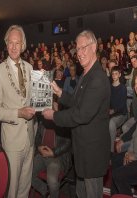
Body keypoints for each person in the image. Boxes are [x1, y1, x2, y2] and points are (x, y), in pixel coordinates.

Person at [42, 30, 111, 198]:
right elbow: (77, 102)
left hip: (92, 153)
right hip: (82, 149)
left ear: (94, 47)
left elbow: (81, 114)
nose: (79, 53)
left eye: (83, 48)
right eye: (77, 49)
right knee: (81, 193)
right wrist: (60, 93)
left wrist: (54, 116)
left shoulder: (97, 78)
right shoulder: (86, 74)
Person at [0, 25, 36, 198]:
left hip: (29, 138)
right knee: (11, 189)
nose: (14, 47)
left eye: (18, 43)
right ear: (6, 44)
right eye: (11, 42)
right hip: (11, 141)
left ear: (23, 45)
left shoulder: (31, 68)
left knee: (25, 187)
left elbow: (33, 100)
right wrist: (18, 113)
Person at [32, 115, 71, 198]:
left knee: (52, 181)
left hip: (56, 157)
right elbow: (37, 137)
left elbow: (68, 143)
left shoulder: (64, 119)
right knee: (26, 174)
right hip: (41, 154)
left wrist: (53, 152)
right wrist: (39, 147)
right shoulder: (43, 119)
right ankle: (45, 191)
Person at [109, 66, 127, 152]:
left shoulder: (122, 88)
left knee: (111, 123)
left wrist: (113, 110)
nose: (114, 75)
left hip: (121, 114)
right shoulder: (110, 87)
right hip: (111, 114)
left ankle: (111, 151)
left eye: (116, 74)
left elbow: (122, 106)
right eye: (113, 74)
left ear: (119, 75)